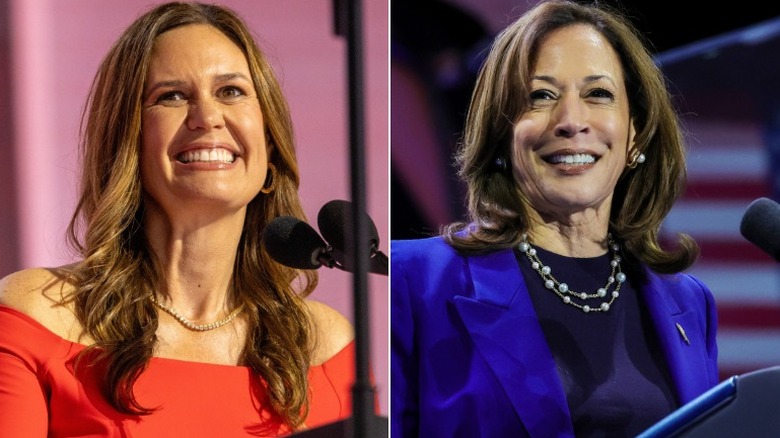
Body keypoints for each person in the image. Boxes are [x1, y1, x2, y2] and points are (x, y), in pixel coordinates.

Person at [0, 2, 359, 436]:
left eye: (231, 91)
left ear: (269, 146)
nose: (207, 118)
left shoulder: (323, 346)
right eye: (171, 96)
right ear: (126, 142)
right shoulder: (38, 315)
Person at [390, 0, 719, 436]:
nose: (570, 121)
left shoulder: (690, 302)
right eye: (540, 96)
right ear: (502, 130)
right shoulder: (412, 281)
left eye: (598, 94)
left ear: (636, 131)